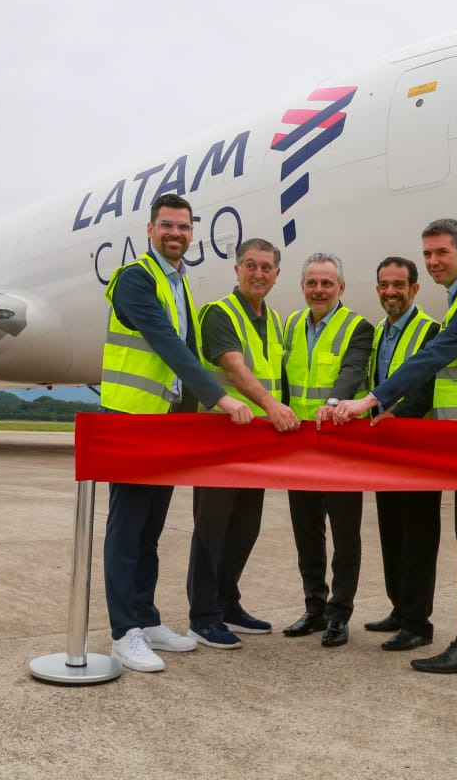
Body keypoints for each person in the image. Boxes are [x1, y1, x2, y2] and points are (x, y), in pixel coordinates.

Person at [331, 219, 457, 674]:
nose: (435, 261)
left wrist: (372, 397)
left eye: (442, 253)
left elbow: (432, 356)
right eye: (429, 254)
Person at [99, 193, 254, 673]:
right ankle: (123, 632)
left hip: (166, 426)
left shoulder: (181, 283)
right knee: (126, 530)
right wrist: (219, 398)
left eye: (184, 228)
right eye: (167, 226)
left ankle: (145, 619)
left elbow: (191, 349)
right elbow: (168, 345)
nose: (176, 234)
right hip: (132, 421)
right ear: (149, 230)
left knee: (150, 529)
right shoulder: (135, 280)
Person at [187, 238, 300, 649]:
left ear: (276, 275)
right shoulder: (219, 314)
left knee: (245, 528)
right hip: (221, 439)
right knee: (211, 529)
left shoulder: (272, 320)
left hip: (255, 442)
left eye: (266, 267)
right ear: (236, 270)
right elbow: (234, 368)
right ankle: (202, 615)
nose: (258, 274)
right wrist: (274, 406)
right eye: (250, 265)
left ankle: (227, 602)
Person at [280, 253, 374, 648]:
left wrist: (335, 400)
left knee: (345, 534)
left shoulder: (358, 326)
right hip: (299, 444)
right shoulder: (290, 325)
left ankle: (340, 614)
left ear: (341, 288)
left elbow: (353, 369)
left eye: (327, 284)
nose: (319, 290)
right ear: (303, 287)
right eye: (312, 284)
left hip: (340, 442)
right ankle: (314, 607)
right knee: (306, 532)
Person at [361, 257, 442, 652]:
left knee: (419, 536)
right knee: (391, 532)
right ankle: (399, 607)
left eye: (398, 285)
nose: (390, 291)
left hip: (416, 447)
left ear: (414, 289)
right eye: (384, 285)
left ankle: (417, 621)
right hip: (385, 447)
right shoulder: (380, 332)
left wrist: (394, 415)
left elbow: (427, 386)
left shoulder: (430, 330)